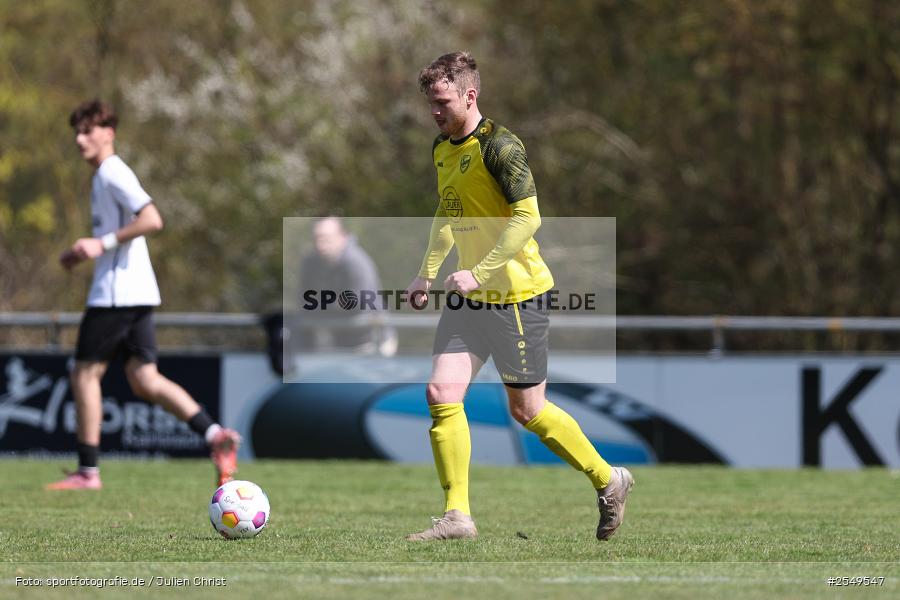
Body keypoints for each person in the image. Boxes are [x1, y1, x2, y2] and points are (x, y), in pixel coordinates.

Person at [404, 53, 634, 541]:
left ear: (470, 96)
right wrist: (426, 274)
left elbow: (528, 218)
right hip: (470, 301)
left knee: (528, 411)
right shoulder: (442, 149)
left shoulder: (502, 147)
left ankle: (609, 479)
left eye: (442, 102)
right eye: (430, 104)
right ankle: (457, 517)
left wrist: (478, 272)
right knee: (441, 393)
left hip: (517, 298)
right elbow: (447, 214)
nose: (435, 112)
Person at [46, 99, 241, 490]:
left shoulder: (112, 171)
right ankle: (213, 434)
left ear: (109, 133)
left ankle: (88, 472)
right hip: (137, 291)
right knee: (143, 378)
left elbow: (152, 218)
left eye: (87, 131)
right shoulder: (104, 175)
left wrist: (100, 244)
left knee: (84, 373)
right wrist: (84, 251)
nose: (80, 139)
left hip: (115, 295)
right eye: (77, 133)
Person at [294, 217, 397, 356]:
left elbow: (355, 304)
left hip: (371, 341)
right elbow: (304, 301)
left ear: (342, 236)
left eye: (326, 238)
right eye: (316, 238)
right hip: (339, 341)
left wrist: (320, 304)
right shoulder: (311, 263)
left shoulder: (356, 262)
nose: (320, 244)